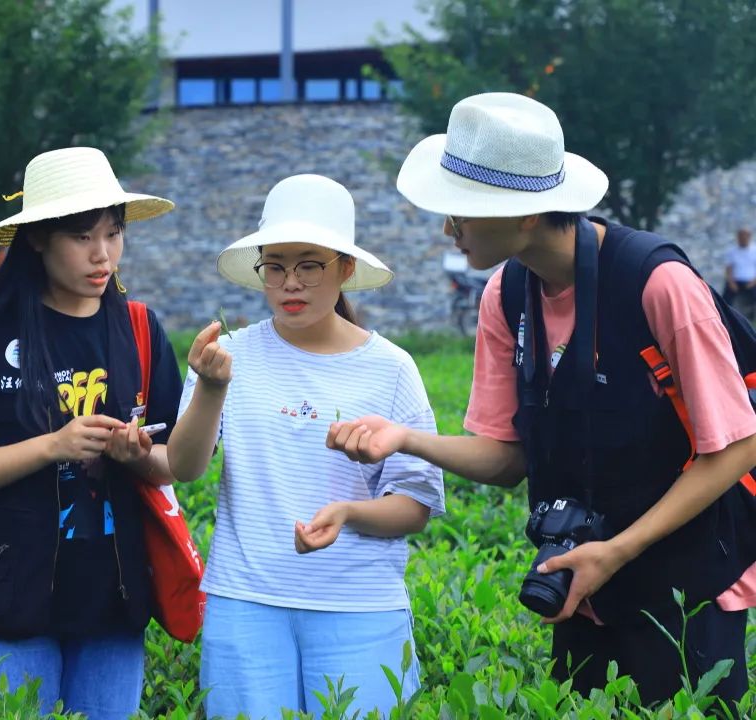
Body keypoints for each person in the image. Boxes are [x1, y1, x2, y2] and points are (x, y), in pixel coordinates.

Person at [327, 92, 756, 704]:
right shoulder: (505, 295)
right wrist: (404, 439)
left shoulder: (658, 284)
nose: (448, 228)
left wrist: (618, 551)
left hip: (688, 584)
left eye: (461, 212)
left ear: (525, 214)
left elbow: (735, 449)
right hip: (582, 583)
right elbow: (506, 458)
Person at [167, 174, 445, 718]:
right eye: (275, 266)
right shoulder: (228, 356)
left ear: (345, 268)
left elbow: (414, 507)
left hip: (360, 609)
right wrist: (212, 388)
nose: (290, 283)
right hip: (246, 601)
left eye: (310, 265)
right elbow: (184, 466)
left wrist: (348, 513)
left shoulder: (390, 368)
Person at [0, 147, 181, 720]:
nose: (102, 254)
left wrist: (137, 455)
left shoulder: (138, 327)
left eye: (114, 234)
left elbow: (170, 464)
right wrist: (53, 445)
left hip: (112, 599)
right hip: (7, 597)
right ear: (37, 238)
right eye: (81, 236)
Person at [722, 228, 756, 311]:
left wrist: (754, 281)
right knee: (724, 300)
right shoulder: (731, 251)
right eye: (741, 236)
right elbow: (728, 268)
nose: (742, 238)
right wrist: (731, 282)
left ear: (749, 237)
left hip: (752, 281)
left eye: (745, 236)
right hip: (735, 281)